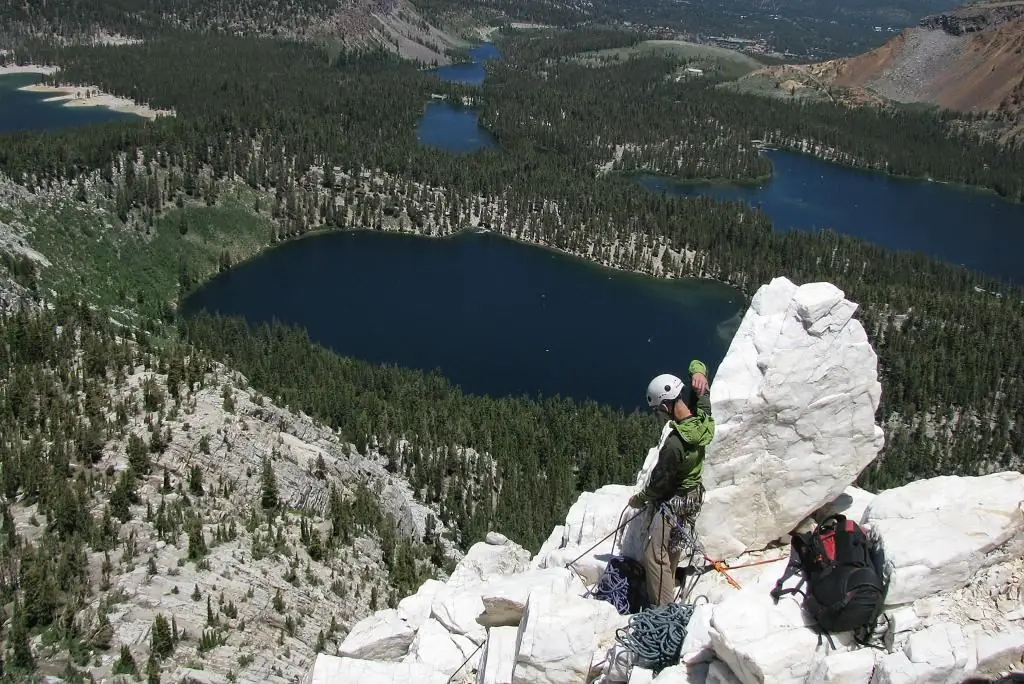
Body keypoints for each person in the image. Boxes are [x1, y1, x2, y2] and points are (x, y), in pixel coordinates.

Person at [629, 360, 715, 607]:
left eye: (658, 409)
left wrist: (639, 499)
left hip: (675, 502)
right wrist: (699, 372)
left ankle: (662, 610)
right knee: (674, 544)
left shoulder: (675, 444)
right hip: (694, 496)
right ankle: (668, 588)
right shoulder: (702, 418)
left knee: (654, 554)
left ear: (666, 406)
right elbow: (699, 375)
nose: (659, 414)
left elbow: (659, 481)